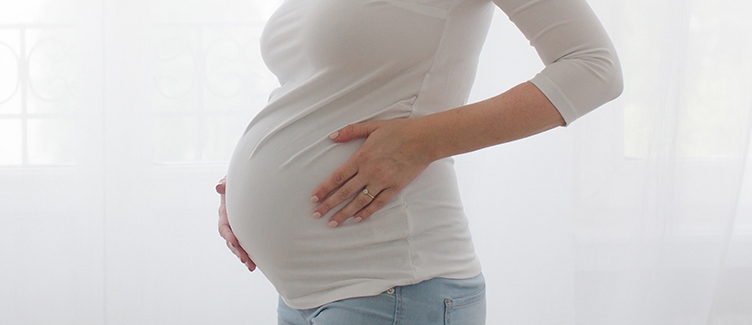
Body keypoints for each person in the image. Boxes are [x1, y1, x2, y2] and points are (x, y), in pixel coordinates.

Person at [216, 0, 623, 323]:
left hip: (394, 289)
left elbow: (593, 67)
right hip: (306, 297)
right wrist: (242, 182)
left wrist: (421, 141)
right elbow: (322, 86)